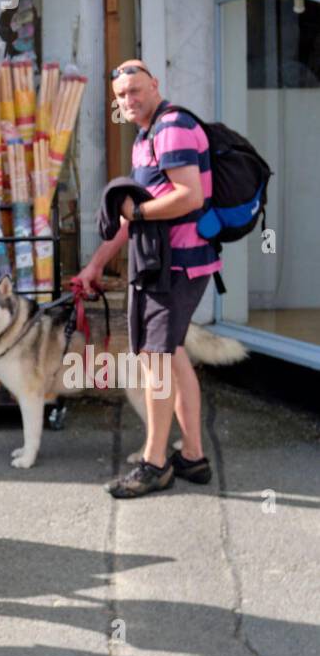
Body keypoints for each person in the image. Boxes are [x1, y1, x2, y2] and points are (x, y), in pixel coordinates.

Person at [78, 60, 219, 498]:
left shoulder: (171, 128)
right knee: (171, 355)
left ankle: (155, 463)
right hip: (164, 265)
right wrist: (97, 263)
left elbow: (188, 196)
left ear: (155, 85)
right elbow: (133, 217)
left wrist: (136, 212)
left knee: (156, 361)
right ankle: (192, 455)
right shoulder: (145, 136)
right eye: (122, 95)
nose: (129, 100)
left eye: (136, 90)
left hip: (175, 266)